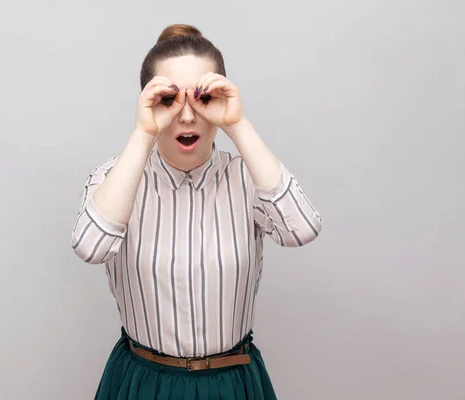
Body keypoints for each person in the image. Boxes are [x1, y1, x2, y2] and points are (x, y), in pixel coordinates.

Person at [71, 23, 322, 399]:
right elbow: (90, 247)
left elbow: (302, 229)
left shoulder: (246, 177)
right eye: (168, 99)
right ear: (147, 101)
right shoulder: (115, 178)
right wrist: (143, 134)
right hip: (144, 383)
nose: (186, 116)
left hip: (231, 383)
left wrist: (237, 124)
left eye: (202, 97)